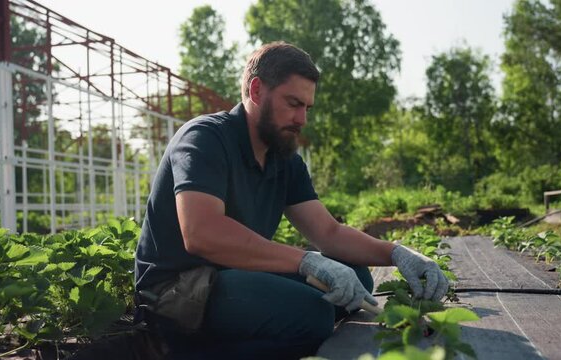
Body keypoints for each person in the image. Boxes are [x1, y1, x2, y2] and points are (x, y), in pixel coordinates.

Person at [134, 41, 449, 359]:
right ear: (257, 91)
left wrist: (398, 254)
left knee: (356, 276)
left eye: (307, 108)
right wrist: (306, 261)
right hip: (179, 292)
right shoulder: (205, 139)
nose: (302, 119)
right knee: (313, 315)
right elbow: (202, 234)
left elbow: (328, 233)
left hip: (232, 275)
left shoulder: (282, 158)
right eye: (293, 103)